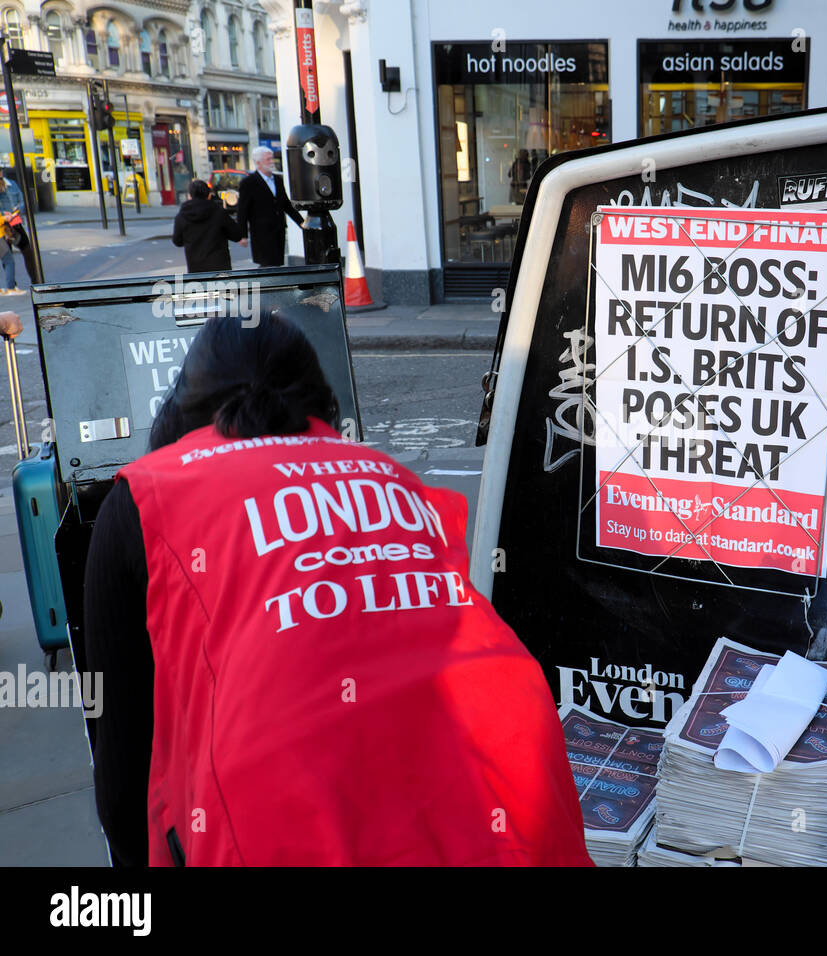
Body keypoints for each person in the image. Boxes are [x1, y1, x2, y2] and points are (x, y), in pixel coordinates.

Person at [83, 311, 591, 866]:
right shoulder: (389, 476)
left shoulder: (148, 497)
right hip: (518, 793)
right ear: (319, 398)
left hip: (282, 824)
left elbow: (123, 774)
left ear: (186, 404)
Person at [235, 147, 303, 267]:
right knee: (267, 265)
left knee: (276, 264)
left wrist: (302, 223)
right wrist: (243, 235)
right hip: (262, 233)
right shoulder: (248, 183)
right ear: (258, 163)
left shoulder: (277, 179)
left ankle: (277, 284)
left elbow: (286, 204)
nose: (272, 161)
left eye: (272, 158)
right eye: (268, 159)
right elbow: (242, 210)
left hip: (279, 230)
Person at [171, 181, 242, 273]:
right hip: (220, 266)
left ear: (189, 196)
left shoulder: (182, 216)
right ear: (208, 195)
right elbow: (237, 235)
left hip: (196, 268)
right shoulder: (219, 212)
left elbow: (177, 241)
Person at [0, 168, 35, 293]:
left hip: (15, 223)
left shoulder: (12, 184)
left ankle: (35, 280)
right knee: (7, 257)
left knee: (28, 251)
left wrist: (17, 209)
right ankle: (11, 286)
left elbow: (22, 200)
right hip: (3, 226)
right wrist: (4, 214)